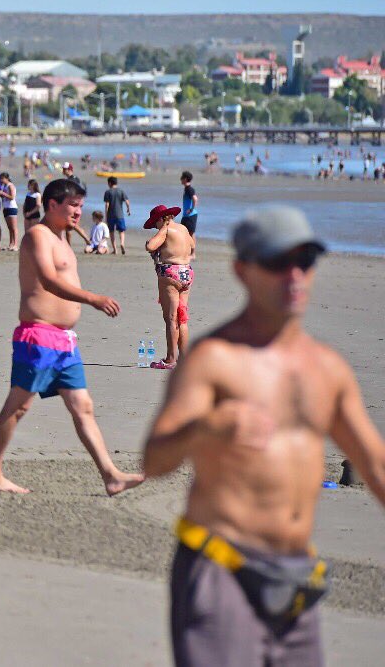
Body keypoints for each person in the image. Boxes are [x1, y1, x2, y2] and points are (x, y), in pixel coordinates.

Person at [143, 206, 385, 667]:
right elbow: (154, 460)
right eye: (278, 262)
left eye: (305, 261)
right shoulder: (213, 360)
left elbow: (374, 465)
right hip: (221, 570)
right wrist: (207, 427)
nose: (294, 275)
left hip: (296, 575)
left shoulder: (325, 369)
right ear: (242, 270)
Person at [0, 178, 145, 496]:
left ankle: (111, 476)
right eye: (73, 206)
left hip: (65, 341)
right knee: (18, 407)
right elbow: (49, 280)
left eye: (81, 206)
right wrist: (93, 299)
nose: (79, 212)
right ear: (52, 204)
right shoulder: (37, 236)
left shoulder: (62, 238)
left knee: (83, 406)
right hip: (38, 337)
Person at [145, 204, 196, 370]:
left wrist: (153, 242)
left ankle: (170, 359)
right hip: (187, 272)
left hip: (170, 275)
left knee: (171, 318)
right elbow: (192, 249)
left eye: (155, 224)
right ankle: (185, 358)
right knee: (182, 318)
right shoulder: (183, 229)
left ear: (161, 219)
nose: (155, 227)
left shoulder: (166, 229)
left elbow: (150, 246)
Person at [102, 176, 131, 255]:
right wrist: (128, 210)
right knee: (121, 231)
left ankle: (115, 249)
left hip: (111, 215)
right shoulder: (121, 191)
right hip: (120, 215)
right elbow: (127, 202)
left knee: (111, 232)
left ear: (110, 183)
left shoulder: (108, 192)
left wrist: (106, 214)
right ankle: (122, 243)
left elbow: (107, 205)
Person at [0, 172, 19, 251]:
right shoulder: (4, 186)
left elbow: (12, 197)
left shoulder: (10, 185)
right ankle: (11, 244)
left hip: (12, 208)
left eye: (2, 179)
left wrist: (2, 193)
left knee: (14, 228)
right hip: (6, 208)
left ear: (6, 178)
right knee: (10, 228)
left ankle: (16, 245)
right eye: (0, 179)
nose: (1, 180)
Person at [180, 171, 199, 236]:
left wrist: (191, 209)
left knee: (190, 234)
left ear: (185, 179)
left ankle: (193, 246)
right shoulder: (186, 189)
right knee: (183, 233)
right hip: (185, 216)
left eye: (182, 178)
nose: (180, 179)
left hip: (190, 216)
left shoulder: (189, 189)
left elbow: (195, 199)